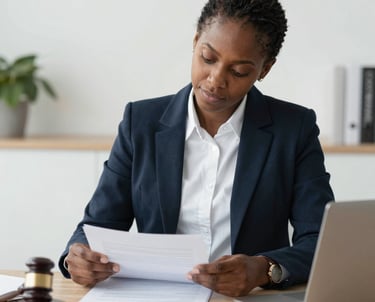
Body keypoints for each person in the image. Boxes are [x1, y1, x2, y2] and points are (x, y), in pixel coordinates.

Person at [59, 0, 334, 298]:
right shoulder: (140, 123)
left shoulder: (293, 129)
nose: (216, 80)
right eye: (208, 58)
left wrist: (263, 268)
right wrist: (77, 257)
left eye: (239, 71)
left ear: (264, 69)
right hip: (157, 295)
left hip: (249, 298)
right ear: (195, 42)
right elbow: (97, 225)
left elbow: (321, 240)